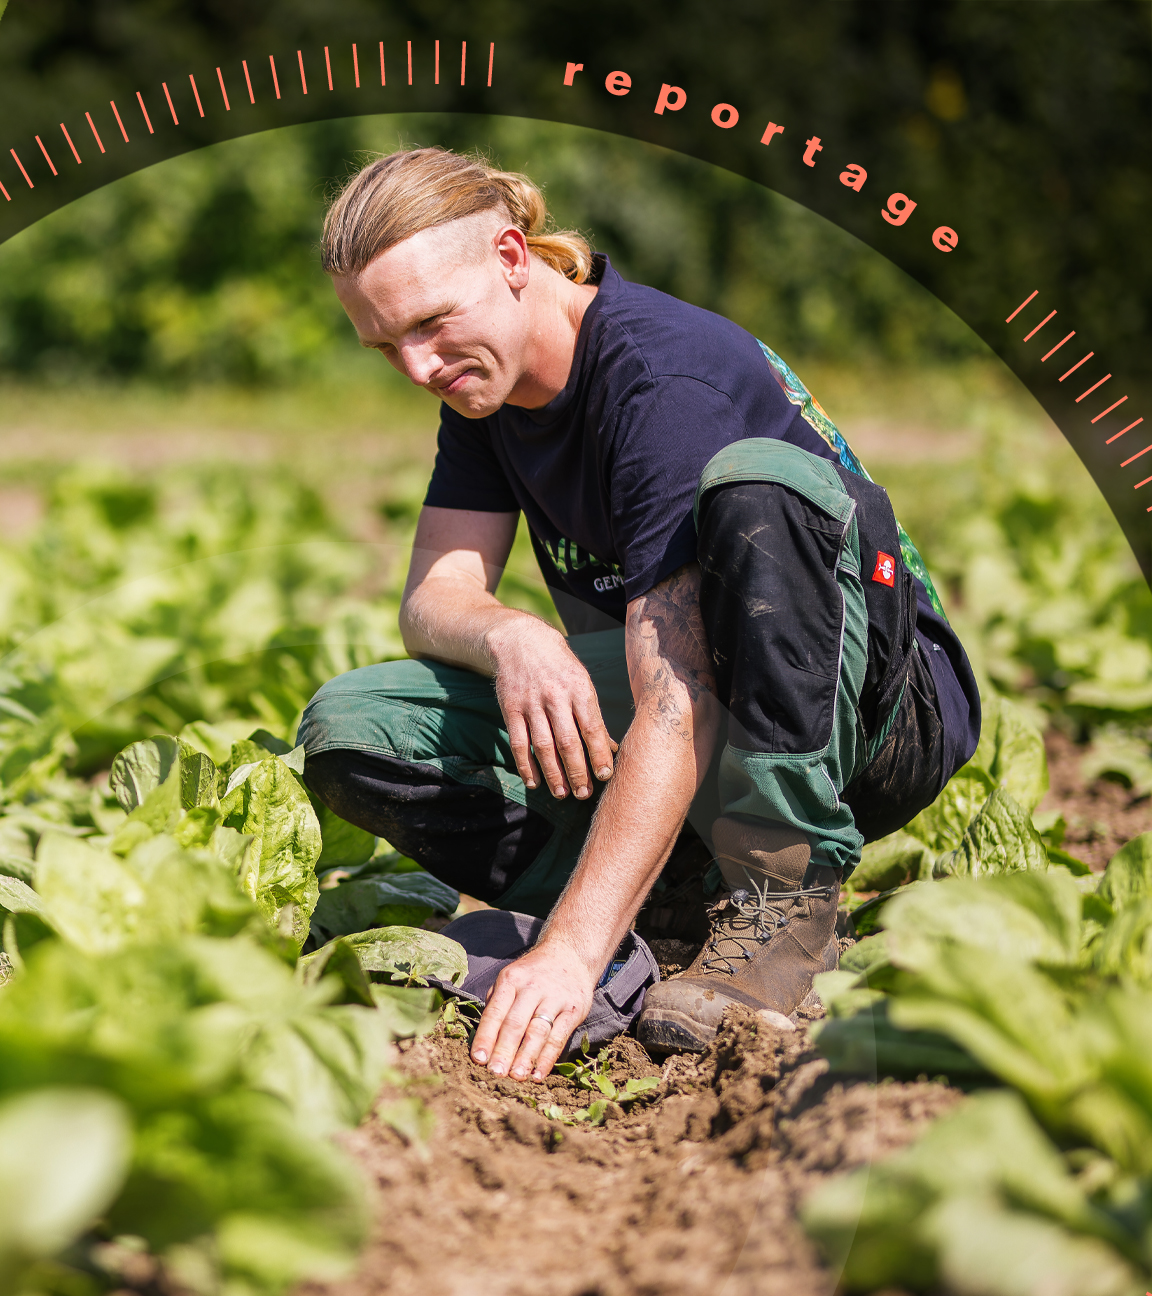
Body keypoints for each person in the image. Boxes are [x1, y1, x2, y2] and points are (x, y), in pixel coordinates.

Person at [298, 146, 980, 1081]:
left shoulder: (661, 378)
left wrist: (569, 954)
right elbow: (433, 597)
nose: (416, 366)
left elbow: (678, 696)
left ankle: (782, 894)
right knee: (354, 728)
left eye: (429, 324)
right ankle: (670, 900)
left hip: (876, 711)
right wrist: (513, 635)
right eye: (384, 345)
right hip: (696, 701)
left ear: (510, 257)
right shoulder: (483, 384)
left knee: (757, 489)